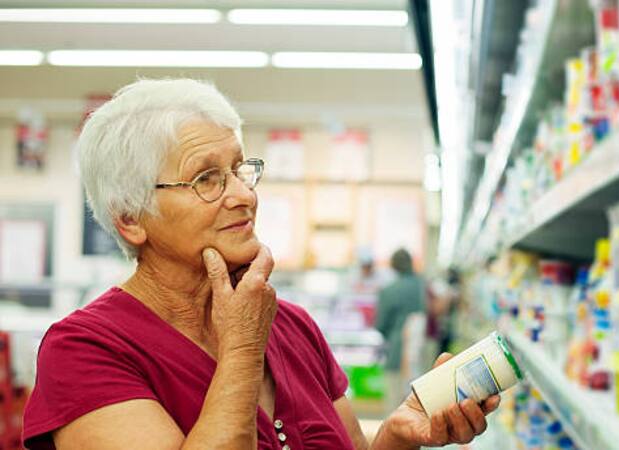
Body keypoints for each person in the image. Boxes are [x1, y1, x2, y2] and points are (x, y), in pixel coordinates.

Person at [21, 79, 500, 450]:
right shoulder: (85, 351)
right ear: (130, 219)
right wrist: (243, 347)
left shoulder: (292, 326)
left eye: (239, 169)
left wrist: (397, 436)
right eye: (208, 179)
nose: (244, 195)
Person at [374, 249, 426, 413]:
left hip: (397, 353)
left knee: (395, 406)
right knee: (419, 405)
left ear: (393, 266)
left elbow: (380, 325)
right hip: (422, 353)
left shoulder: (389, 291)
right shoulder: (423, 285)